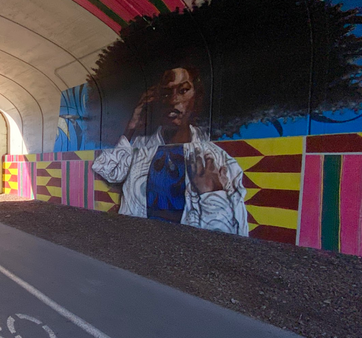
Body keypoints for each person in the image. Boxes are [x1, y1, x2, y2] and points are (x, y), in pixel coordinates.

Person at [93, 66, 248, 235]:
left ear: (197, 98)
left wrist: (212, 194)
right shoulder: (140, 148)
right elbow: (108, 171)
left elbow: (234, 238)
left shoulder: (218, 160)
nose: (173, 100)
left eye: (183, 90)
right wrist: (131, 127)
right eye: (166, 93)